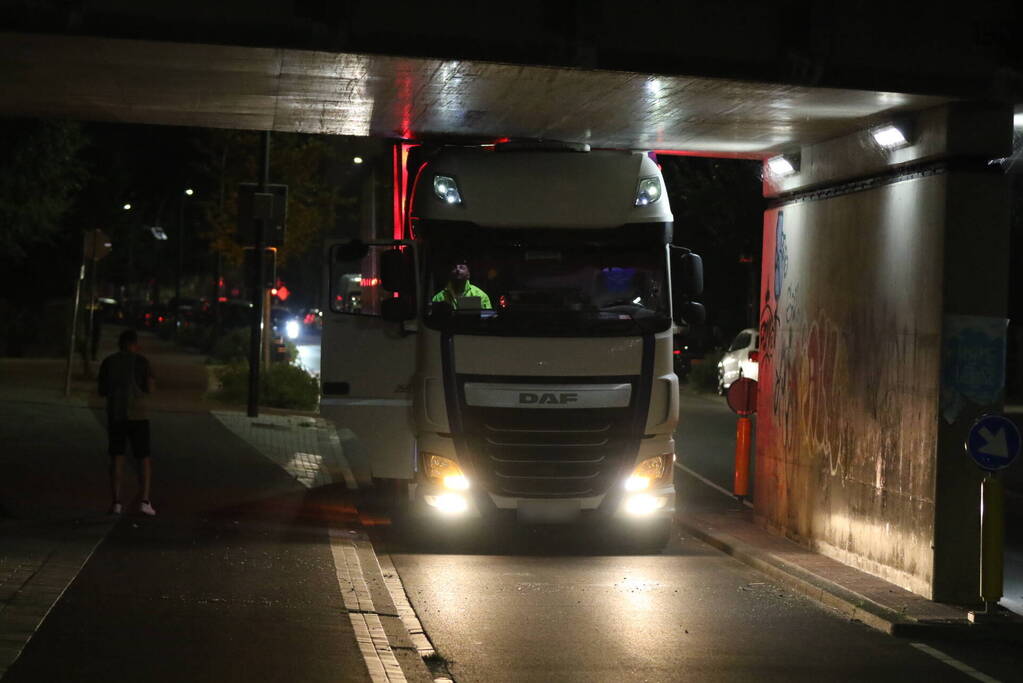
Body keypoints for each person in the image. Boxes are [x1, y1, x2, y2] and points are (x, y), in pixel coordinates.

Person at [97, 329, 156, 516]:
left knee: (117, 457)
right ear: (134, 344)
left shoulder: (109, 362)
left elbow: (102, 390)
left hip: (116, 414)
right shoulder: (142, 362)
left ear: (119, 344)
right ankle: (145, 501)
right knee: (143, 458)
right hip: (139, 415)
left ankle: (116, 502)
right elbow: (150, 388)